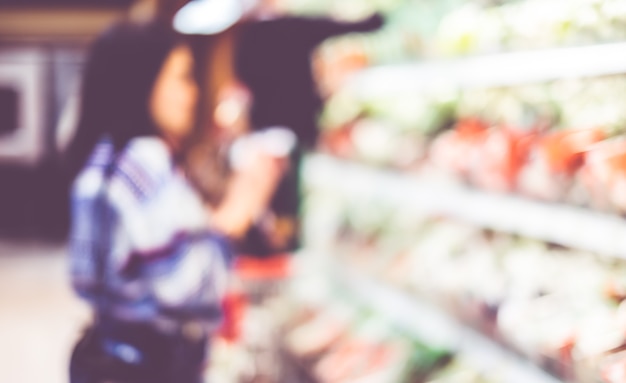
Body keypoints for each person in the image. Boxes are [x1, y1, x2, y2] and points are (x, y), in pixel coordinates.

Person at [66, 19, 283, 383]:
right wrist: (239, 210)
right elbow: (184, 288)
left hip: (109, 352)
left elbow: (107, 270)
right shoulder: (145, 160)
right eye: (182, 78)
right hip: (153, 365)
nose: (194, 93)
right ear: (141, 81)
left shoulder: (104, 157)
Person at [233, 1, 384, 256]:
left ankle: (270, 247)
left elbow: (243, 85)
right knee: (290, 199)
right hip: (294, 132)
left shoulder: (246, 35)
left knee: (270, 202)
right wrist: (376, 18)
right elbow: (355, 26)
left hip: (262, 133)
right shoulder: (295, 27)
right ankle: (286, 248)